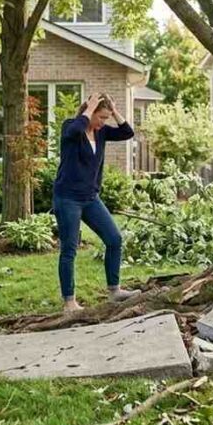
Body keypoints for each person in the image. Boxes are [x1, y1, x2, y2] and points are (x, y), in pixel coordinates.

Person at [52, 92, 137, 312]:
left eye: (106, 119)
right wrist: (88, 111)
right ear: (89, 112)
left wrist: (114, 110)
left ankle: (115, 290)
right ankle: (69, 301)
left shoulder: (101, 133)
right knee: (69, 249)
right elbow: (76, 129)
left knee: (114, 239)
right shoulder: (71, 127)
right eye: (101, 117)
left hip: (90, 198)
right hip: (68, 198)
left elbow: (128, 132)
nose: (103, 123)